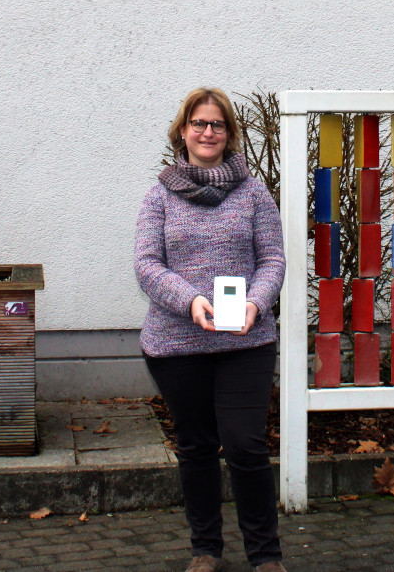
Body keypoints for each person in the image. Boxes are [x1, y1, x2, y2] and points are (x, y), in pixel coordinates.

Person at [134, 87, 288, 572]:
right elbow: (145, 264)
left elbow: (273, 258)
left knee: (245, 444)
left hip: (245, 340)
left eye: (217, 124)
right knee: (197, 446)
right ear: (183, 132)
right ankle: (206, 551)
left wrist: (256, 303)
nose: (207, 132)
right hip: (177, 343)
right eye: (198, 124)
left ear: (229, 134)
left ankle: (265, 557)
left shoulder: (254, 191)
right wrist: (190, 300)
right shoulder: (159, 193)